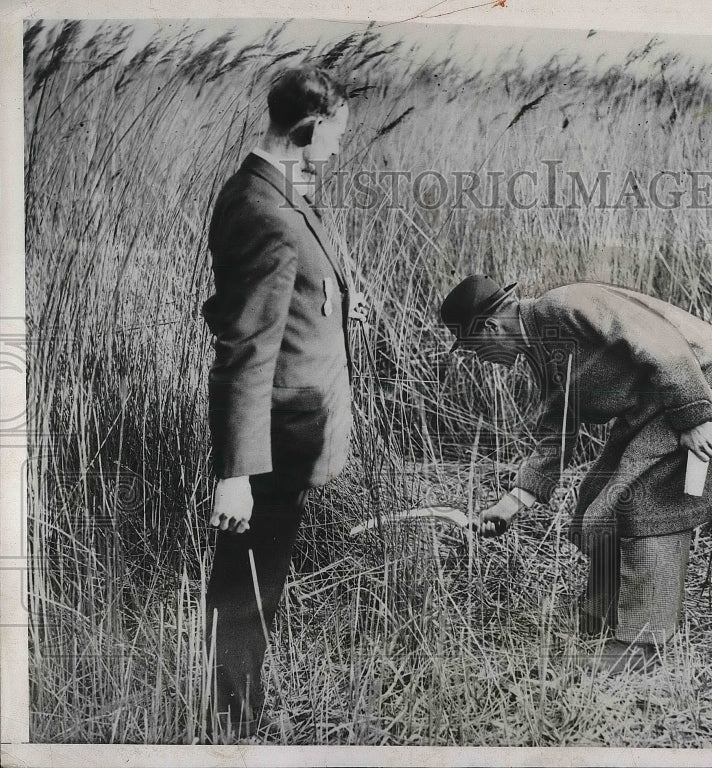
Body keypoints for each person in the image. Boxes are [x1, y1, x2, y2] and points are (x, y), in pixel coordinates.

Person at [440, 276, 712, 674]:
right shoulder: (542, 351)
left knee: (649, 502)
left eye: (475, 350)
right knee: (599, 499)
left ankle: (643, 644)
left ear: (490, 328)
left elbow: (658, 340)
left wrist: (695, 413)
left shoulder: (562, 306)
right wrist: (513, 502)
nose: (480, 359)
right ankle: (601, 617)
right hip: (657, 406)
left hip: (702, 383)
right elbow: (555, 431)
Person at [199, 66, 358, 738]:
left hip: (294, 419)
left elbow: (298, 287)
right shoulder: (264, 210)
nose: (339, 149)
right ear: (312, 125)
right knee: (248, 583)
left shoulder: (278, 189)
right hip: (275, 428)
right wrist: (234, 473)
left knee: (262, 574)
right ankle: (233, 723)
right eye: (336, 135)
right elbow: (244, 347)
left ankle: (240, 705)